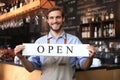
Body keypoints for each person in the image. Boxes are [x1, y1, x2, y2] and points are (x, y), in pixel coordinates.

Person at [14, 6, 96, 80]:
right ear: (47, 20)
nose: (55, 21)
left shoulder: (74, 41)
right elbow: (30, 68)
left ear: (63, 19)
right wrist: (22, 58)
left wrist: (90, 58)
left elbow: (84, 66)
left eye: (58, 17)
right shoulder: (40, 42)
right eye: (51, 18)